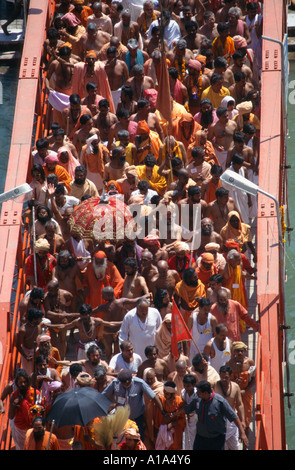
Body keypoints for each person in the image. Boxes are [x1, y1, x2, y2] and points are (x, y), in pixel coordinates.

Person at [179, 380, 248, 450]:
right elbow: (187, 408)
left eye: (199, 392)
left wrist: (242, 433)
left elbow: (234, 417)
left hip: (216, 440)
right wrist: (173, 414)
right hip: (201, 438)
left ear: (205, 393)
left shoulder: (220, 402)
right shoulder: (198, 399)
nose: (196, 393)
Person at [102, 368, 164, 441]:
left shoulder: (139, 383)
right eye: (124, 384)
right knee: (121, 441)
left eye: (128, 383)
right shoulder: (115, 383)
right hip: (121, 419)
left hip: (137, 419)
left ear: (131, 379)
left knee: (138, 440)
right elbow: (103, 396)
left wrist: (162, 411)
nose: (126, 385)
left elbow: (153, 396)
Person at [46, 303, 122, 360]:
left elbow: (110, 324)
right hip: (82, 349)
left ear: (89, 314)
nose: (84, 317)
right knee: (83, 368)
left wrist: (124, 321)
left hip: (94, 348)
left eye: (86, 315)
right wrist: (48, 325)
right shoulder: (78, 322)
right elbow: (63, 326)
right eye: (82, 315)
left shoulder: (96, 321)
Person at [226, 341, 256, 442]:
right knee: (234, 417)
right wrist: (234, 382)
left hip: (246, 393)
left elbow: (254, 379)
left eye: (241, 351)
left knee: (246, 419)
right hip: (233, 393)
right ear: (234, 352)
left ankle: (245, 444)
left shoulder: (250, 362)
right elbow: (226, 379)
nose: (239, 353)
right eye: (237, 351)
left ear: (244, 351)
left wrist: (245, 390)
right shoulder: (229, 364)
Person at [118, 297, 162, 361]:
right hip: (135, 352)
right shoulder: (129, 316)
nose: (144, 313)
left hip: (152, 353)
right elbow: (123, 334)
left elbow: (160, 329)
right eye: (142, 311)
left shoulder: (155, 313)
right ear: (137, 308)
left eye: (146, 310)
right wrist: (124, 351)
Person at [215, 364, 246, 450]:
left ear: (230, 376)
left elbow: (240, 404)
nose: (224, 380)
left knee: (234, 447)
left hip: (232, 421)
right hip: (219, 421)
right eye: (222, 377)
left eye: (226, 377)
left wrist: (242, 420)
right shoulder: (215, 386)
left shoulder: (235, 387)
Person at [9, 369, 41, 450]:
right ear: (17, 383)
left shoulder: (35, 393)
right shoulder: (14, 395)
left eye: (25, 382)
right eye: (20, 382)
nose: (23, 384)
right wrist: (15, 403)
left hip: (33, 429)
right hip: (20, 429)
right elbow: (10, 416)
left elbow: (40, 411)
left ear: (28, 381)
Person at [154, 381, 186, 450]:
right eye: (164, 393)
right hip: (163, 434)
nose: (165, 395)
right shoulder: (161, 401)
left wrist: (172, 424)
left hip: (177, 435)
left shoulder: (180, 402)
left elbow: (184, 420)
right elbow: (158, 419)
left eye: (167, 394)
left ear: (173, 394)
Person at [187, 297, 217, 362]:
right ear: (199, 308)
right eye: (205, 309)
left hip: (207, 352)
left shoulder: (212, 320)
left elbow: (216, 337)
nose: (207, 312)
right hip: (194, 350)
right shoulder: (192, 318)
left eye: (208, 309)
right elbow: (186, 335)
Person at [16, 308, 45, 374]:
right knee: (28, 372)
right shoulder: (23, 330)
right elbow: (18, 345)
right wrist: (26, 357)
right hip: (27, 353)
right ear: (34, 319)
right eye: (40, 318)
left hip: (38, 350)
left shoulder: (39, 325)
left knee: (40, 369)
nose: (41, 320)